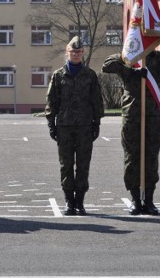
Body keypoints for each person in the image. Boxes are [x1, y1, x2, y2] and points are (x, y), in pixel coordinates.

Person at [102, 49, 160, 215]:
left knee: (151, 157)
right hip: (132, 116)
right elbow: (107, 65)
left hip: (152, 115)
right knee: (132, 158)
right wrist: (131, 70)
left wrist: (157, 52)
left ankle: (149, 200)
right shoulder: (126, 57)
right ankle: (135, 199)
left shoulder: (158, 58)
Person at [45, 36, 104, 215]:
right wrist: (51, 124)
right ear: (67, 52)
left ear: (82, 53)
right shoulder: (58, 75)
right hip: (64, 126)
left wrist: (97, 123)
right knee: (66, 165)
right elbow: (51, 102)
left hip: (85, 127)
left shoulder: (90, 75)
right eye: (73, 52)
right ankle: (69, 202)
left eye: (79, 52)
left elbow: (96, 101)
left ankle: (80, 202)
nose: (76, 55)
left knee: (83, 164)